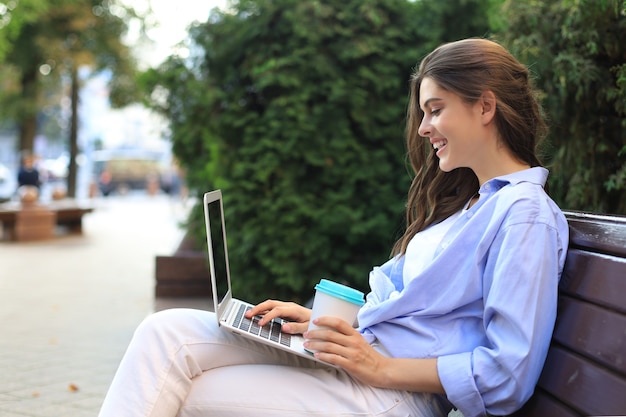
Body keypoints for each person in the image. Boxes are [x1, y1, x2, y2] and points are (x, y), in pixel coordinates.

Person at [98, 38, 569, 417]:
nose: (424, 127)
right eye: (425, 112)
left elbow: (509, 372)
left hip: (389, 394)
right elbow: (418, 316)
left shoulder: (524, 214)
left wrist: (380, 368)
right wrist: (330, 325)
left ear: (485, 107)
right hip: (357, 363)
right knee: (165, 332)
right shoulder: (471, 206)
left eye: (435, 108)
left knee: (183, 390)